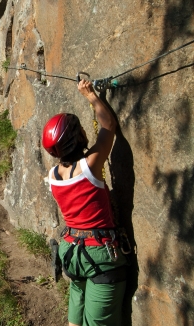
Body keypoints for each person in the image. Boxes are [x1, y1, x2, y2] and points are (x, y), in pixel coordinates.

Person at [42, 79, 127, 326]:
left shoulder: (53, 176)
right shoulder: (89, 166)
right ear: (78, 137)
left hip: (72, 252)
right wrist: (90, 95)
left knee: (75, 321)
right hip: (100, 254)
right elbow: (108, 125)